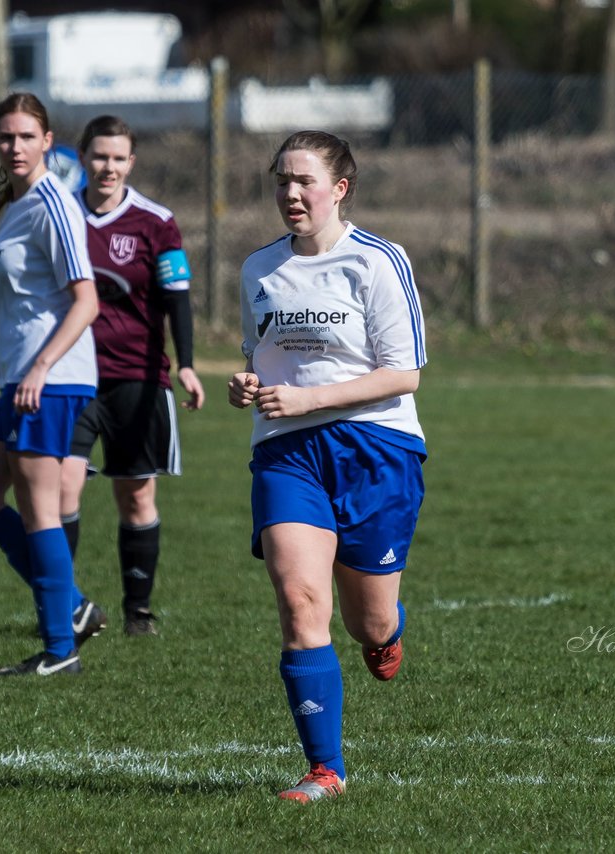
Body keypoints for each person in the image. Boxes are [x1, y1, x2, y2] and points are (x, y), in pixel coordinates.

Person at [228, 131, 428, 802]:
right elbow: (261, 359)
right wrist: (247, 384)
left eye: (303, 181)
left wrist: (311, 396)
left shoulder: (377, 261)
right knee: (299, 599)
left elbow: (404, 375)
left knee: (367, 622)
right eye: (281, 180)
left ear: (339, 188)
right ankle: (325, 771)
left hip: (376, 448)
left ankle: (385, 634)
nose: (289, 192)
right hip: (287, 452)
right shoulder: (259, 268)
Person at [0, 92, 103, 677]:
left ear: (48, 141)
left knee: (39, 511)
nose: (13, 147)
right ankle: (71, 607)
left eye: (25, 137)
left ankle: (59, 649)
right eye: (4, 137)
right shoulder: (16, 203)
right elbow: (35, 289)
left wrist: (42, 367)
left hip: (50, 380)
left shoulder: (54, 204)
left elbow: (84, 301)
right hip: (22, 379)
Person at [59, 115, 205, 639]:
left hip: (138, 378)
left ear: (132, 162)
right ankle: (64, 608)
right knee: (61, 490)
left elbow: (177, 297)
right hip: (71, 376)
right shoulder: (61, 214)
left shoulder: (155, 222)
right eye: (100, 156)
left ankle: (137, 613)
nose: (109, 167)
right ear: (82, 157)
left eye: (119, 158)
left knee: (136, 497)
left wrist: (185, 363)